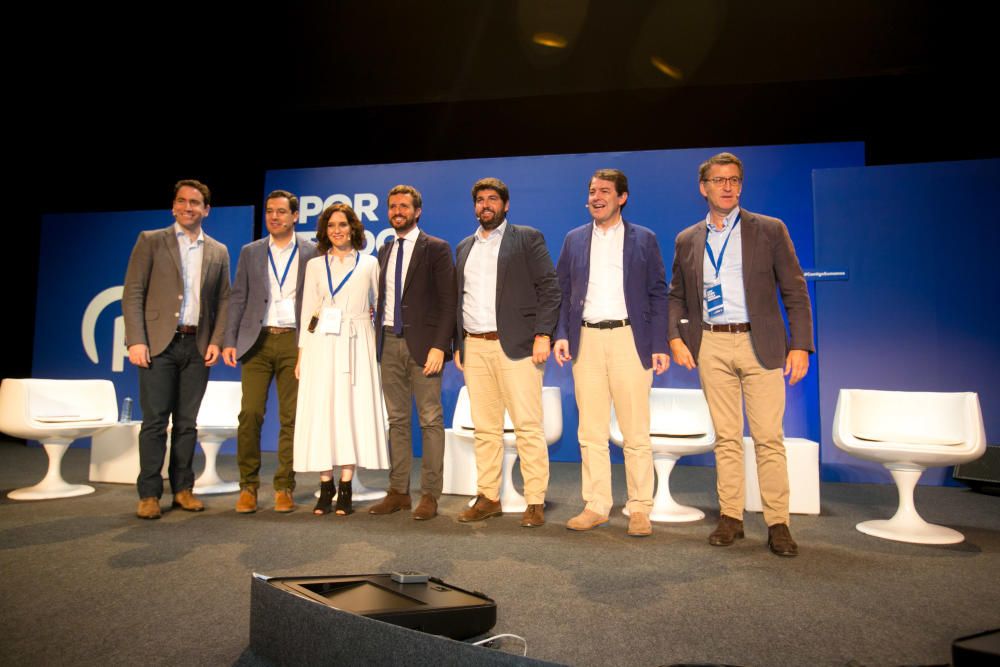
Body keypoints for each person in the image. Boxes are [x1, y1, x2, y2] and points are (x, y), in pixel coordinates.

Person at [667, 152, 814, 557]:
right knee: (726, 438)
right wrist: (677, 338)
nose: (727, 186)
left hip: (761, 344)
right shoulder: (687, 239)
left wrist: (800, 344)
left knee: (768, 438)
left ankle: (778, 523)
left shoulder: (769, 229)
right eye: (719, 180)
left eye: (734, 180)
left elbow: (795, 291)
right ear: (704, 188)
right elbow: (676, 295)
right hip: (711, 344)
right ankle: (730, 517)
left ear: (740, 186)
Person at [553, 168, 669, 537]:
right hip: (586, 340)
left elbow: (657, 293)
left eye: (605, 190)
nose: (596, 197)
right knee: (591, 432)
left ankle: (639, 508)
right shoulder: (573, 239)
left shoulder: (644, 239)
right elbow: (563, 292)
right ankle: (597, 504)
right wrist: (560, 334)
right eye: (591, 191)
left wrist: (660, 343)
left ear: (622, 197)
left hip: (629, 339)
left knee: (636, 432)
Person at [454, 177, 561, 527]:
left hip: (516, 346)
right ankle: (488, 497)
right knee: (485, 429)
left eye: (492, 199)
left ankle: (534, 501)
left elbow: (549, 287)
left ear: (506, 204)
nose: (486, 205)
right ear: (475, 207)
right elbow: (461, 299)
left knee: (528, 427)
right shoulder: (464, 247)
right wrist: (460, 343)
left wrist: (544, 333)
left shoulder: (527, 238)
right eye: (480, 200)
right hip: (475, 345)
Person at [123, 179, 231, 520]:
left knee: (187, 423)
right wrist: (136, 339)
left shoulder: (218, 250)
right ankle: (149, 494)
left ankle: (183, 489)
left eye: (195, 203)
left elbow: (224, 300)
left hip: (197, 344)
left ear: (206, 210)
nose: (188, 207)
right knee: (155, 422)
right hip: (158, 344)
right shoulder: (151, 241)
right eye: (182, 202)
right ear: (174, 206)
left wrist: (216, 340)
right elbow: (134, 292)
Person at [222, 190, 317, 514]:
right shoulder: (251, 252)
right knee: (250, 414)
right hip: (257, 342)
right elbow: (238, 297)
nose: (274, 217)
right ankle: (248, 486)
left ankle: (284, 487)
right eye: (269, 211)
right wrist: (230, 340)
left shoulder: (312, 252)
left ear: (294, 216)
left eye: (281, 212)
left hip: (294, 342)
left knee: (291, 418)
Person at [293, 203, 389, 516]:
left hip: (357, 342)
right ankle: (326, 484)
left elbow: (381, 309)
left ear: (353, 229)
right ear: (325, 231)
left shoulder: (370, 264)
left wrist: (378, 348)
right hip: (322, 344)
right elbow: (309, 312)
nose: (337, 230)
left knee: (350, 411)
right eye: (332, 225)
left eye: (343, 225)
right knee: (323, 413)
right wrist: (301, 355)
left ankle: (346, 484)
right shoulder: (315, 266)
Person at [369, 185, 456, 520]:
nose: (397, 211)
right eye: (392, 207)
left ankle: (430, 495)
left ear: (417, 211)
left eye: (404, 206)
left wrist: (440, 346)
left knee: (431, 420)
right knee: (397, 421)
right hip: (389, 343)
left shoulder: (436, 248)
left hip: (425, 348)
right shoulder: (386, 250)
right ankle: (398, 492)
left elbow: (449, 302)